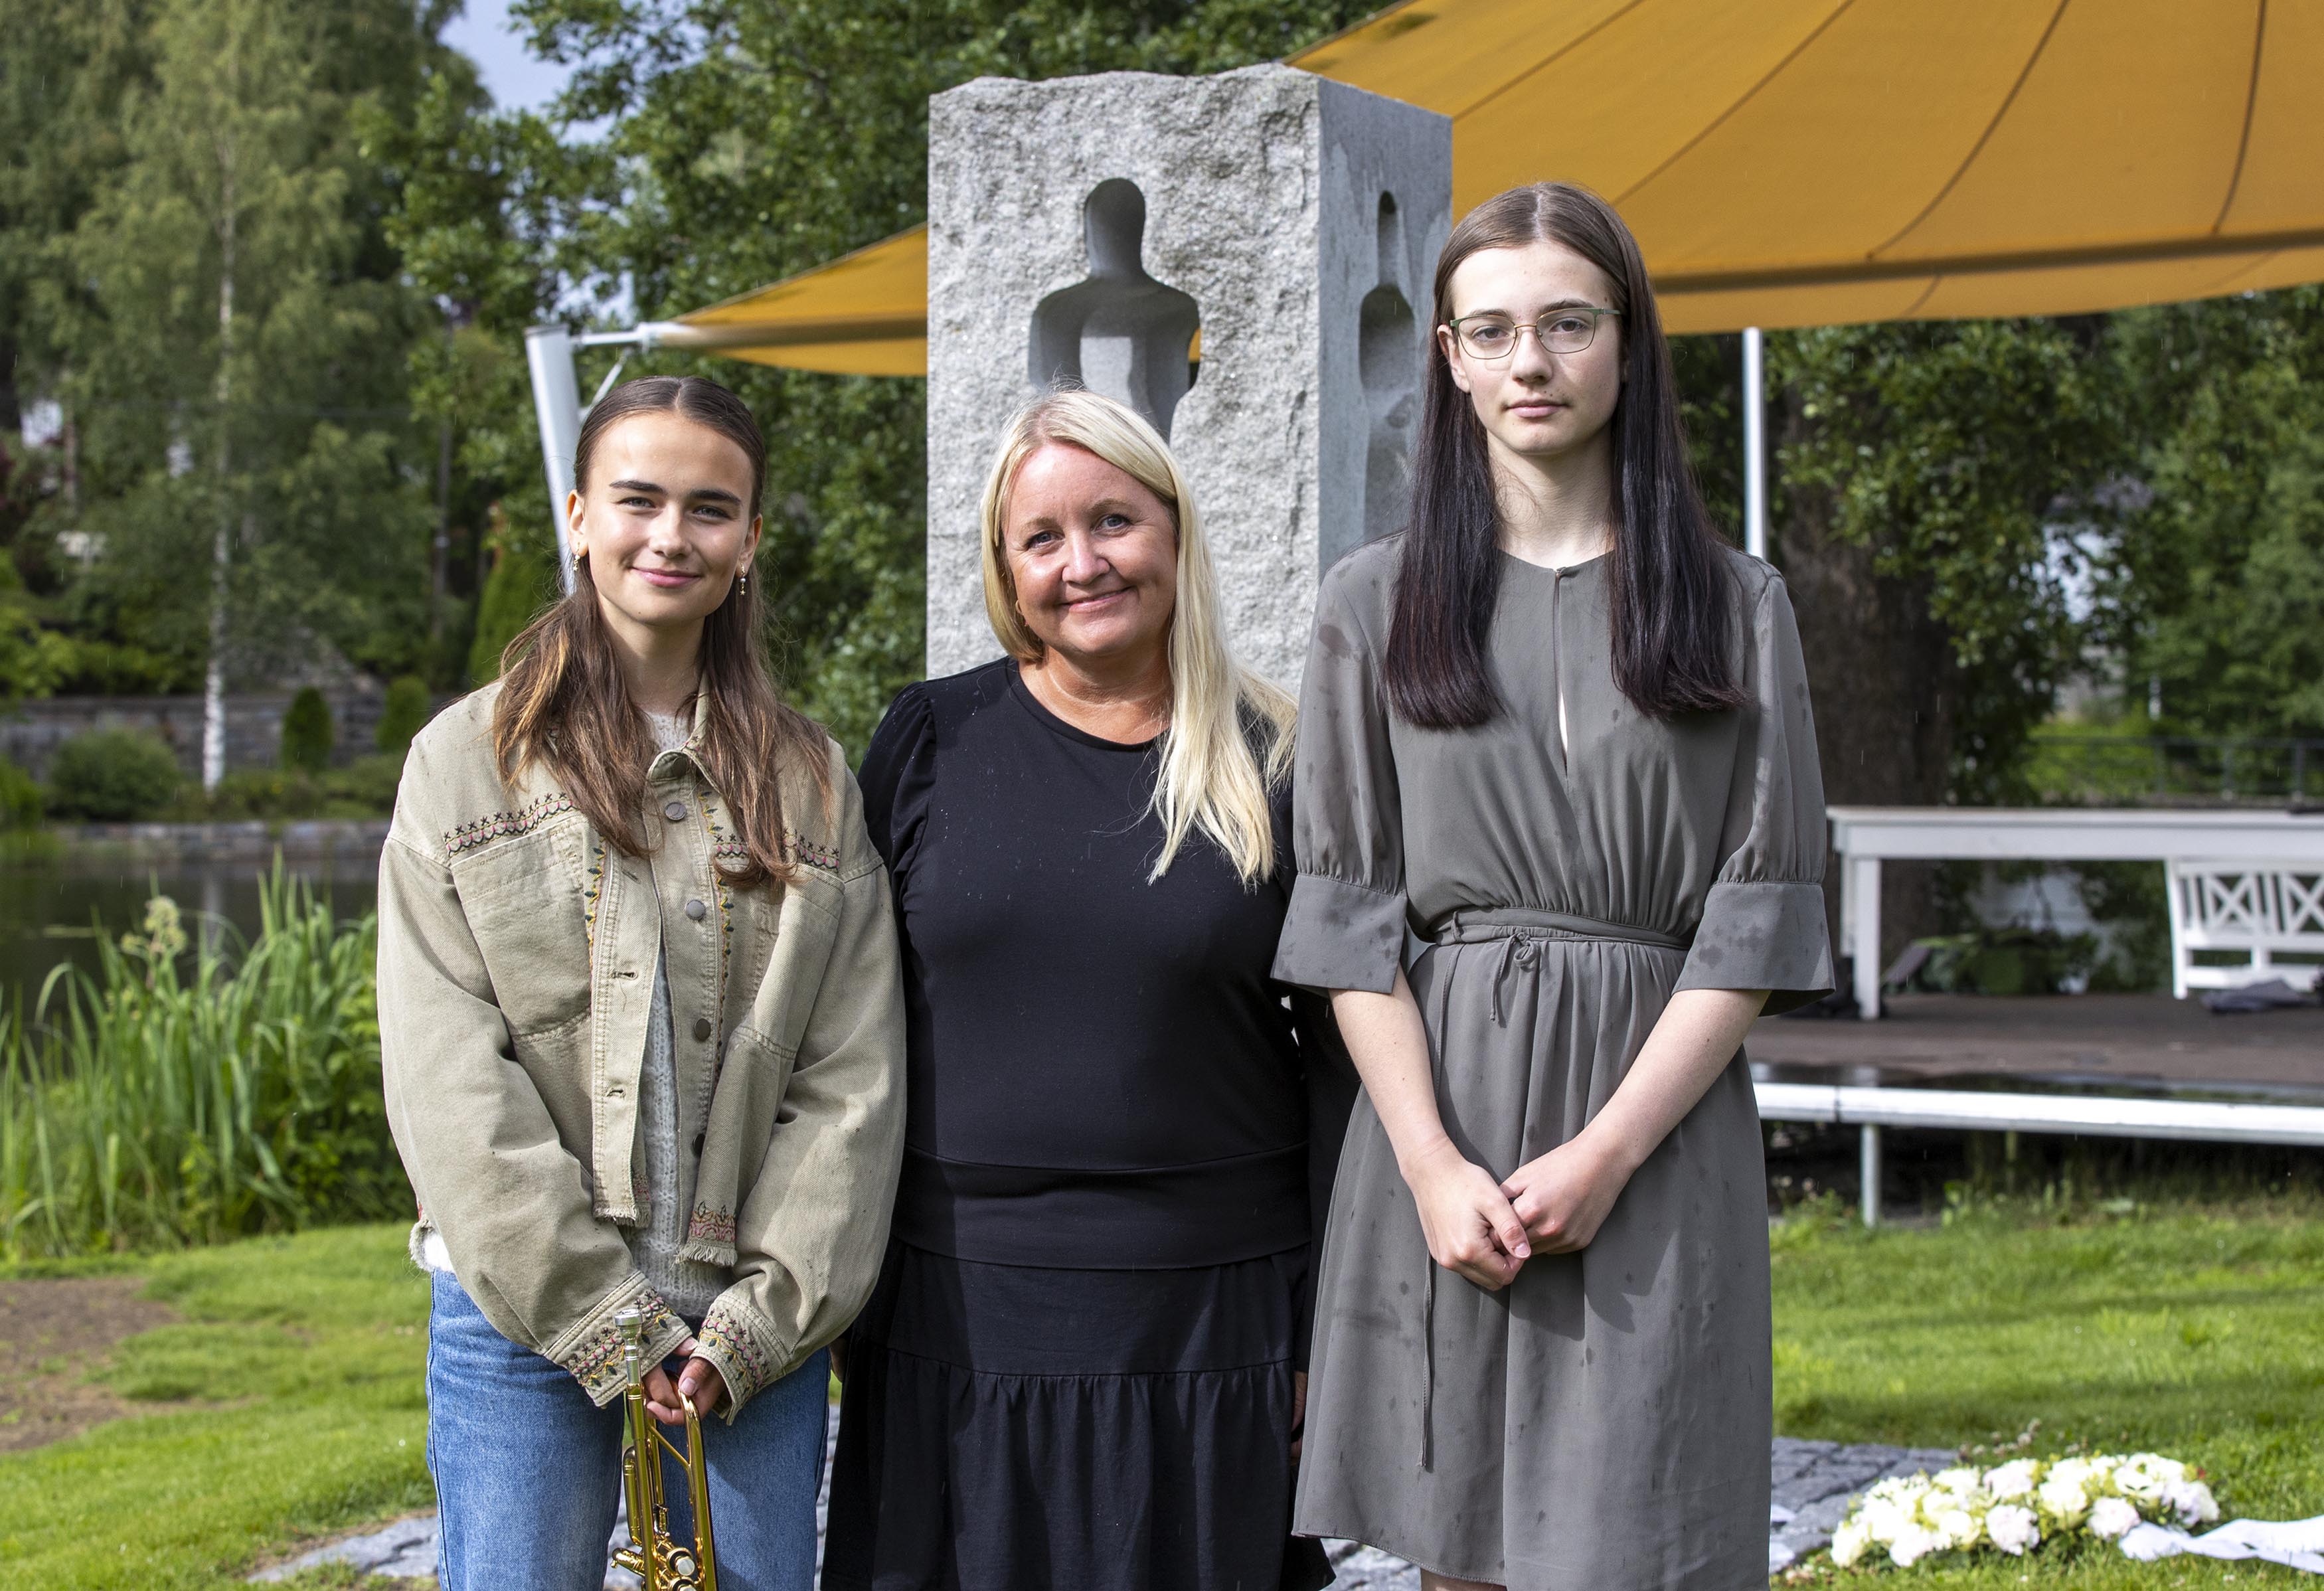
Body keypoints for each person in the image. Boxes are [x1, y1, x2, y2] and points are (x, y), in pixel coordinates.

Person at [1276, 183, 1833, 1591]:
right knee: (1457, 1538)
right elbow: (1348, 918)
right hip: (1442, 1118)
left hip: (1656, 1121)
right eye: (1495, 330)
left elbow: (1756, 909)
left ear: (1629, 345)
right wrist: (1427, 1164)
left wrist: (1606, 1153)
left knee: (1644, 1531)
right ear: (1452, 360)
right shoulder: (1372, 603)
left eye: (1567, 323)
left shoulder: (1734, 602)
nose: (1530, 361)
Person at [376, 375, 906, 1591]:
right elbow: (446, 1073)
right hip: (521, 1321)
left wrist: (762, 1319)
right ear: (578, 516)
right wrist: (602, 1319)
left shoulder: (813, 781)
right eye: (639, 499)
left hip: (747, 1331)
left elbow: (853, 1080)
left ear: (751, 540)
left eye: (711, 508)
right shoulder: (464, 763)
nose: (672, 535)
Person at [821, 388, 1350, 1591]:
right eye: (1042, 539)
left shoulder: (1280, 759)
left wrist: (1329, 1331)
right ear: (1006, 572)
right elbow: (846, 1030)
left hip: (1215, 1324)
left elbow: (1343, 1069)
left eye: (1114, 521)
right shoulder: (928, 740)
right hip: (952, 1313)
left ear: (1174, 530)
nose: (1083, 564)